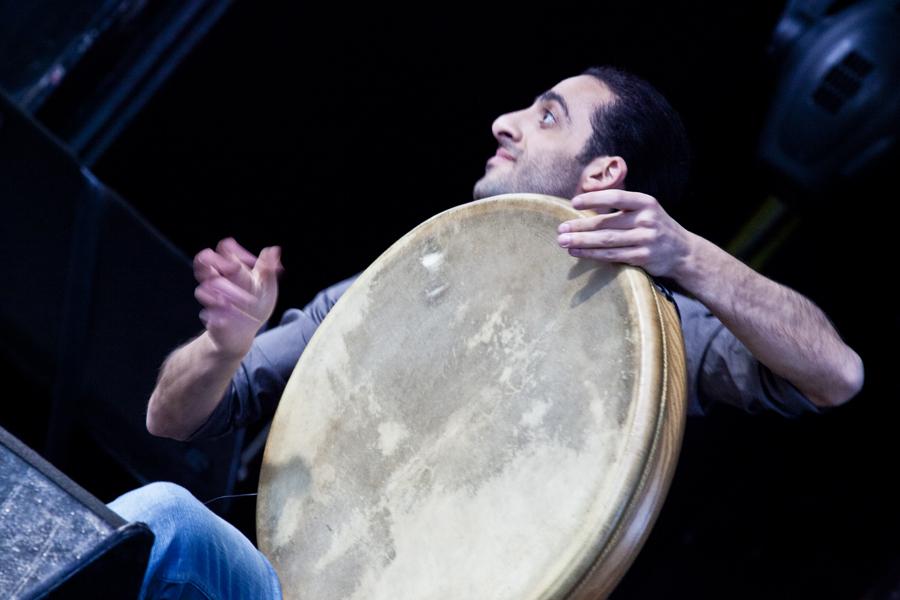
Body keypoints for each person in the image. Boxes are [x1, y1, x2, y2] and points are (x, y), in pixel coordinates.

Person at [109, 66, 864, 600]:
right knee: (160, 521)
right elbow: (170, 417)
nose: (504, 122)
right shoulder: (409, 278)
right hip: (283, 590)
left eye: (546, 116)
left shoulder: (646, 324)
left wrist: (688, 255)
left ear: (603, 173)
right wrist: (225, 345)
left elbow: (835, 375)